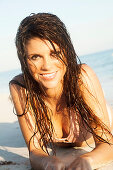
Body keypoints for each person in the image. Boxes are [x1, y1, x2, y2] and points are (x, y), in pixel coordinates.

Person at [9, 13, 113, 170]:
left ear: (67, 51)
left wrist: (87, 160)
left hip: (100, 116)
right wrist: (47, 162)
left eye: (55, 53)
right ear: (24, 60)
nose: (47, 66)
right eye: (35, 57)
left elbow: (107, 143)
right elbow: (35, 150)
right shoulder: (20, 88)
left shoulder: (82, 77)